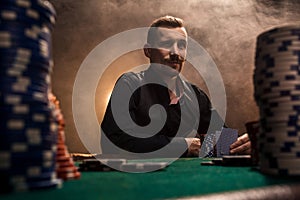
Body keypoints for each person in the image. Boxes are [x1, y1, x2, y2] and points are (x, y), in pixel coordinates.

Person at [101, 15, 251, 157]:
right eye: (166, 44)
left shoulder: (195, 95)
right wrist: (182, 146)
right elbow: (113, 142)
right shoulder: (129, 84)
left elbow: (225, 142)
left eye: (181, 45)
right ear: (148, 51)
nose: (175, 52)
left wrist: (245, 144)